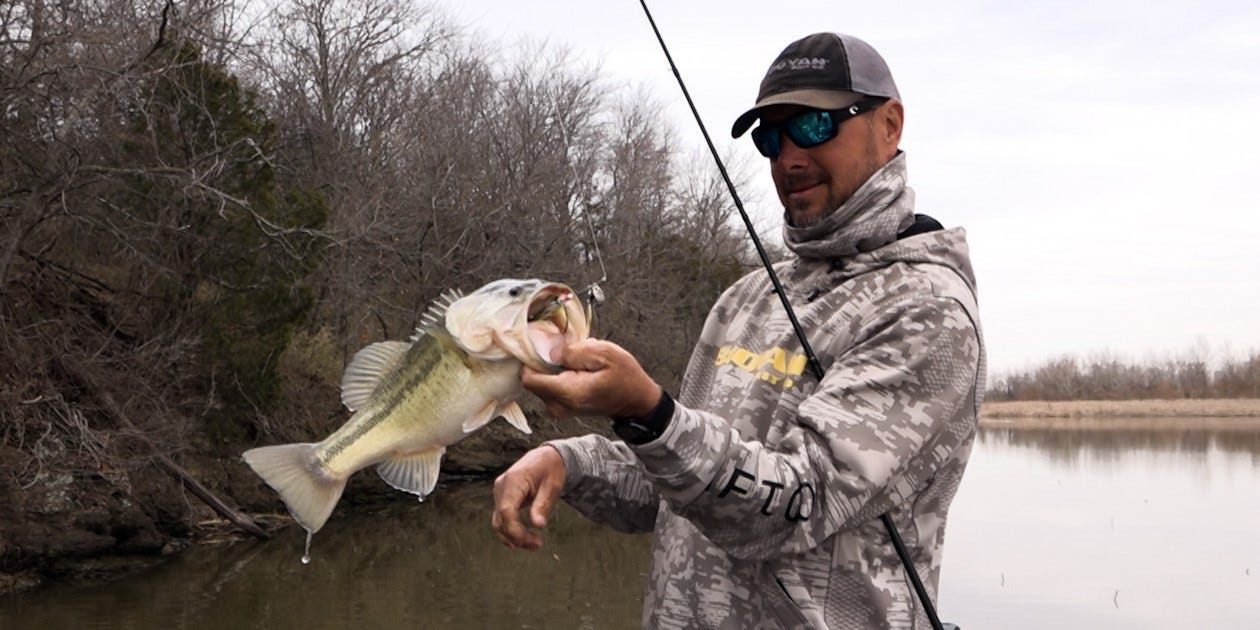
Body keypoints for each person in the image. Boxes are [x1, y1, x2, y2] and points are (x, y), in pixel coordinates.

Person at [492, 32, 985, 629]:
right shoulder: (745, 299)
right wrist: (568, 461)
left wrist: (650, 412)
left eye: (811, 127)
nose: (788, 158)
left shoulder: (926, 313)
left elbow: (798, 501)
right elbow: (680, 482)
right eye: (770, 139)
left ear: (889, 124)